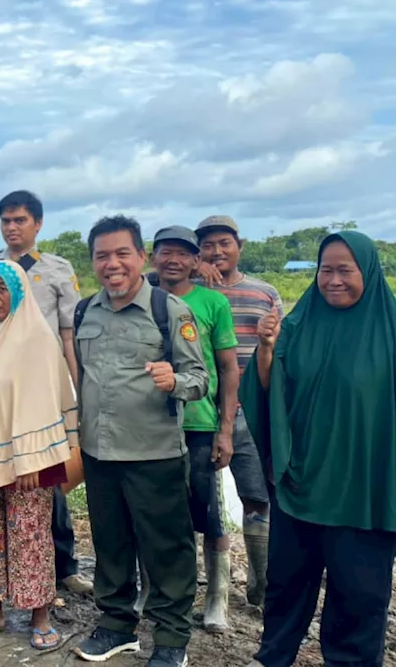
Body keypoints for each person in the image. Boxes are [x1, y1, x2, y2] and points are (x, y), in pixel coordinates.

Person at [242, 231, 396, 667]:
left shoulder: (395, 343)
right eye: (325, 270)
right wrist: (265, 350)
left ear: (368, 273)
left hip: (364, 497)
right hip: (300, 487)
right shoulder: (296, 326)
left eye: (345, 270)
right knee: (285, 587)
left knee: (359, 594)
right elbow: (267, 394)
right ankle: (272, 659)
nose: (333, 280)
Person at [72, 215, 208, 667]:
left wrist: (175, 381)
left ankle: (171, 638)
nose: (112, 264)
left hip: (155, 454)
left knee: (167, 549)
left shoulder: (170, 312)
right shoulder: (84, 311)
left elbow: (200, 378)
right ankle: (116, 625)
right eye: (102, 256)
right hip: (99, 452)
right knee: (110, 544)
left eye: (121, 254)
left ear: (141, 257)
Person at [0, 190, 91, 596]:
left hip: (40, 384)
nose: (12, 228)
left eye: (20, 220)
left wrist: (73, 389)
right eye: (6, 221)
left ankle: (62, 565)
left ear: (38, 224)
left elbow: (68, 334)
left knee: (46, 483)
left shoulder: (55, 269)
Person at [0, 261, 75, 652]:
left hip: (29, 462)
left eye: (1, 289)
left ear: (19, 291)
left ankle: (39, 614)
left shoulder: (35, 338)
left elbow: (41, 401)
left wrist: (30, 461)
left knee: (31, 536)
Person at [150, 226, 239, 633]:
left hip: (200, 423)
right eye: (165, 252)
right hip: (150, 424)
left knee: (209, 514)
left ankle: (217, 597)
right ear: (153, 258)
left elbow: (227, 368)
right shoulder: (143, 298)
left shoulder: (212, 302)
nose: (173, 260)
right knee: (152, 514)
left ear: (194, 261)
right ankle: (153, 590)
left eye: (182, 254)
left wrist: (225, 430)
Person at [194, 215, 281, 607]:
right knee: (209, 508)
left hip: (251, 412)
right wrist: (192, 270)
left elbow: (280, 349)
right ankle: (217, 595)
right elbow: (148, 274)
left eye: (224, 243)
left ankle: (261, 589)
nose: (217, 252)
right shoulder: (182, 290)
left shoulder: (264, 293)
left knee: (258, 499)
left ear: (239, 246)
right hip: (199, 412)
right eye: (208, 246)